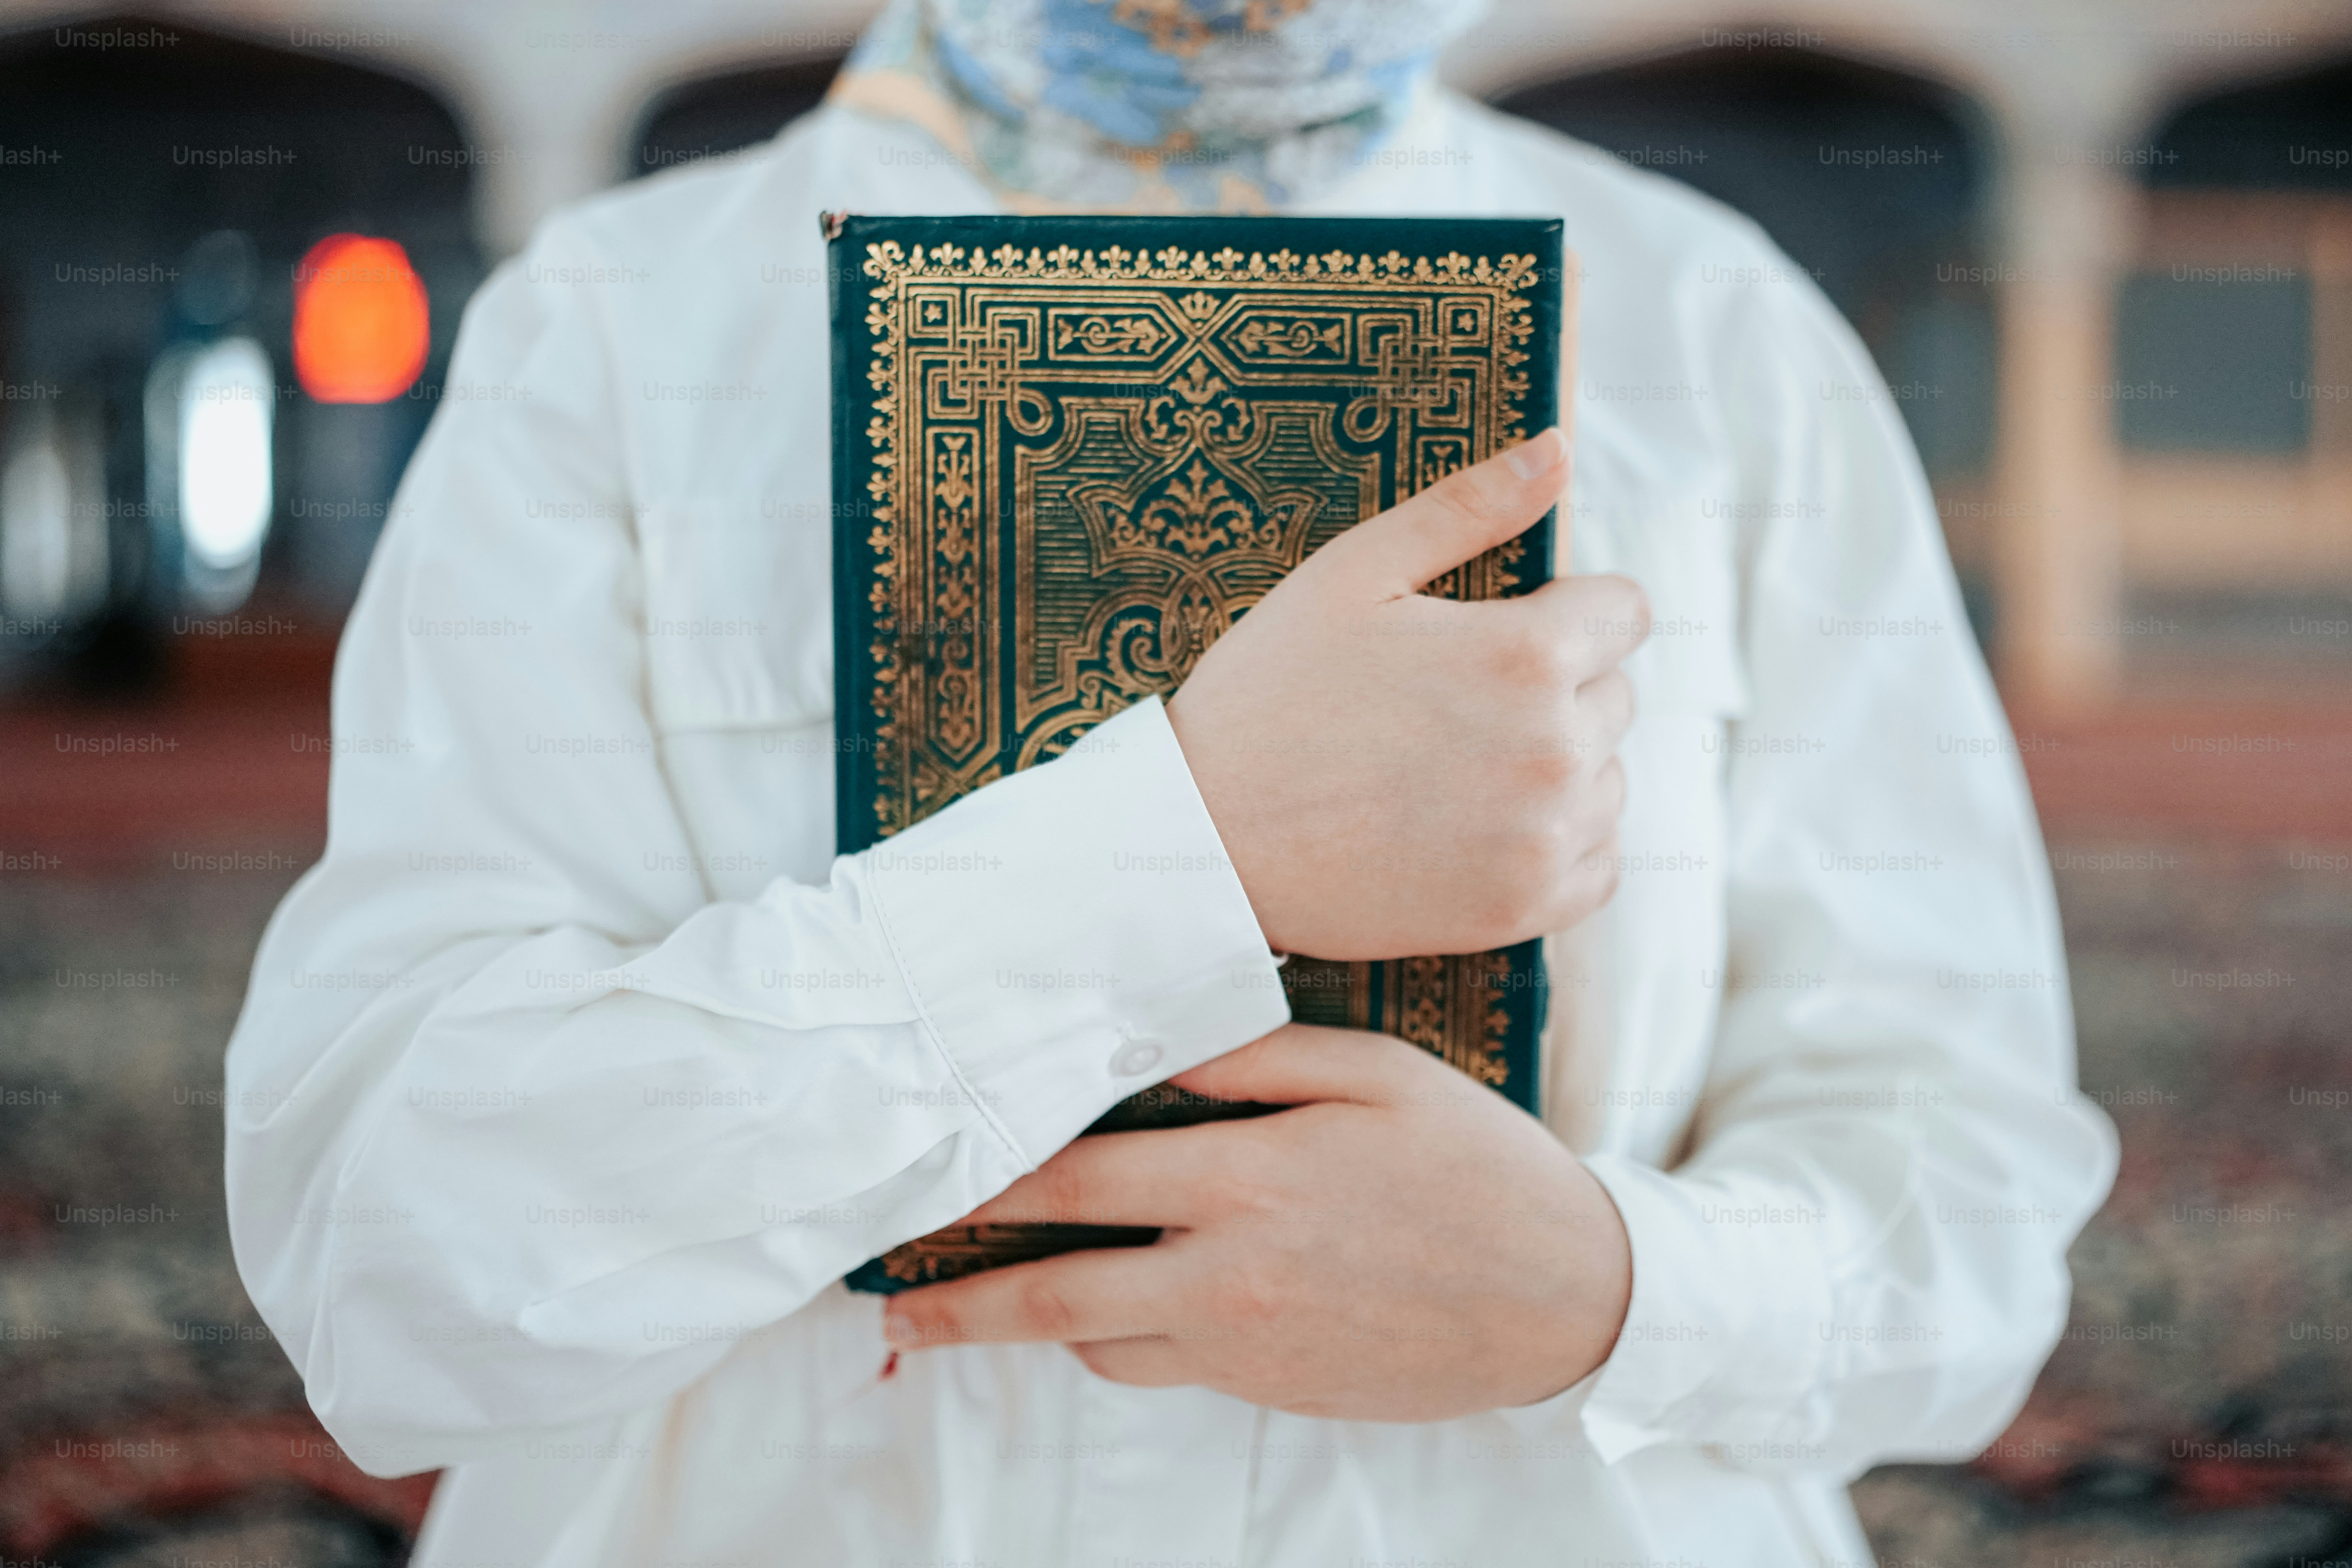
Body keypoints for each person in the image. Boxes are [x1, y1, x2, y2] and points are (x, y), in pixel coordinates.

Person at [223, 1, 2118, 1563]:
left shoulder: (1723, 336)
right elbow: (389, 1257)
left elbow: (1966, 1208)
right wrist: (1182, 860)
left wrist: (1615, 1288)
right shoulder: (613, 331)